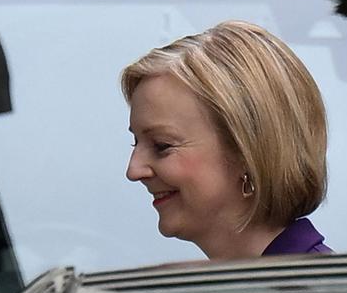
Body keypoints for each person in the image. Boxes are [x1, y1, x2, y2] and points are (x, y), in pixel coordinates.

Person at [122, 20, 333, 259]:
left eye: (162, 145)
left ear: (248, 153)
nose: (133, 170)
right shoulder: (251, 288)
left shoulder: (325, 292)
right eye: (135, 142)